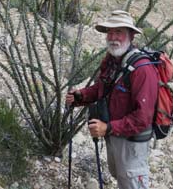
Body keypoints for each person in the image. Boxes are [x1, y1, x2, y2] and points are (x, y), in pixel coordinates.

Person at [66, 10, 159, 189]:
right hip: (114, 134)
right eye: (110, 32)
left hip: (131, 141)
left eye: (119, 32)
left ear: (131, 36)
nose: (113, 37)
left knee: (132, 182)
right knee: (120, 177)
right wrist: (81, 96)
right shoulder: (112, 59)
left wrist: (108, 127)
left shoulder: (142, 69)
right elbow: (102, 88)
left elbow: (143, 118)